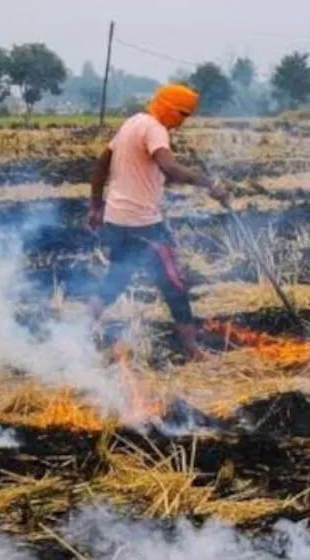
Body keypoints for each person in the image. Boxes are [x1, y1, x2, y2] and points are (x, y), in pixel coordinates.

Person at [86, 83, 230, 362]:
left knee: (116, 280)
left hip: (116, 220)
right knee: (174, 285)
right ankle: (192, 351)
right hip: (143, 224)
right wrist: (208, 183)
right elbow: (169, 166)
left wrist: (96, 205)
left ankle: (75, 332)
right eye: (182, 114)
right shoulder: (154, 128)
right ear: (169, 109)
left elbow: (102, 164)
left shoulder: (132, 123)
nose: (182, 122)